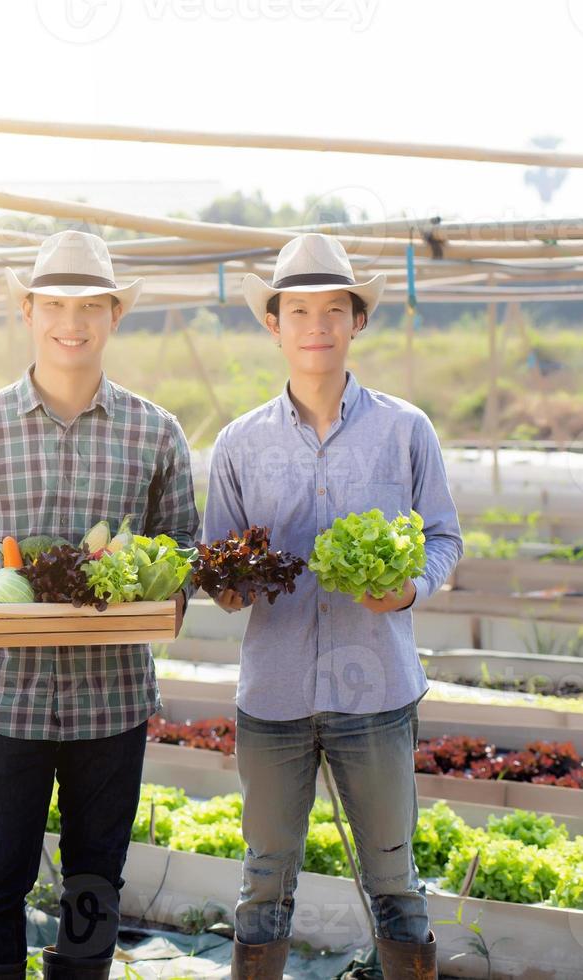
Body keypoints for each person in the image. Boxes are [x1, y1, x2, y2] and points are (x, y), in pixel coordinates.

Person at [0, 230, 199, 980]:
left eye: (90, 306)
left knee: (93, 887)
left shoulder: (155, 432)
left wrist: (168, 597)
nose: (71, 321)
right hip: (6, 697)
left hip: (112, 702)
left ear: (114, 317)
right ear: (28, 311)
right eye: (55, 304)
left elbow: (184, 551)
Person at [203, 233, 462, 980]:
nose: (316, 325)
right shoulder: (238, 444)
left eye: (334, 310)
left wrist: (411, 588)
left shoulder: (404, 430)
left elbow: (442, 536)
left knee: (396, 884)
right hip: (275, 697)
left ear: (357, 322)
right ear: (274, 325)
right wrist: (221, 582)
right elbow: (214, 558)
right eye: (298, 310)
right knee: (262, 883)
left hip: (376, 692)